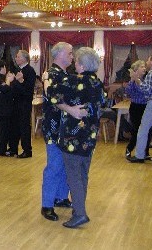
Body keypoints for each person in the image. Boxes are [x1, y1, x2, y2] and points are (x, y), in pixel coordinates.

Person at [52, 47, 105, 228]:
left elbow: (53, 97)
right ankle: (78, 209)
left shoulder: (72, 80)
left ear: (81, 65)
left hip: (72, 136)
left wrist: (69, 109)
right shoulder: (98, 83)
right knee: (83, 174)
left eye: (76, 61)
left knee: (73, 175)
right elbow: (101, 105)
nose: (74, 64)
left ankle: (80, 213)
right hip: (90, 135)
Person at [40, 42, 86, 222]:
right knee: (54, 166)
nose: (72, 56)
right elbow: (52, 97)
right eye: (70, 53)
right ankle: (47, 205)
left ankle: (60, 197)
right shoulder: (51, 75)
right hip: (54, 128)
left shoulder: (66, 74)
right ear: (59, 55)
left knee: (64, 165)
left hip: (66, 128)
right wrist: (70, 109)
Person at [128, 55, 152, 164]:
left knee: (143, 129)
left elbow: (146, 90)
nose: (147, 63)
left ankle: (139, 156)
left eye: (148, 60)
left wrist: (137, 80)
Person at [9, 50, 36, 158]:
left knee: (24, 126)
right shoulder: (16, 70)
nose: (16, 58)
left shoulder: (30, 71)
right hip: (15, 102)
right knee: (14, 126)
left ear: (24, 59)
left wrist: (20, 82)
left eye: (18, 56)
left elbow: (28, 91)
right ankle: (13, 149)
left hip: (24, 103)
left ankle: (27, 150)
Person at [124, 60, 151, 159]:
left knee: (147, 130)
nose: (144, 68)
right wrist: (133, 79)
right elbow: (128, 92)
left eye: (144, 66)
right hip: (135, 107)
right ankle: (129, 149)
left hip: (146, 107)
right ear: (136, 70)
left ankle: (146, 152)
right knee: (137, 130)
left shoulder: (147, 79)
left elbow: (145, 91)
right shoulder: (133, 81)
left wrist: (137, 81)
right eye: (142, 67)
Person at [0, 60, 14, 156]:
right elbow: (4, 89)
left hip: (1, 107)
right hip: (2, 108)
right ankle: (1, 149)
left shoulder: (0, 78)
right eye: (4, 67)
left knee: (2, 128)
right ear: (2, 68)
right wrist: (9, 81)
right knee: (4, 128)